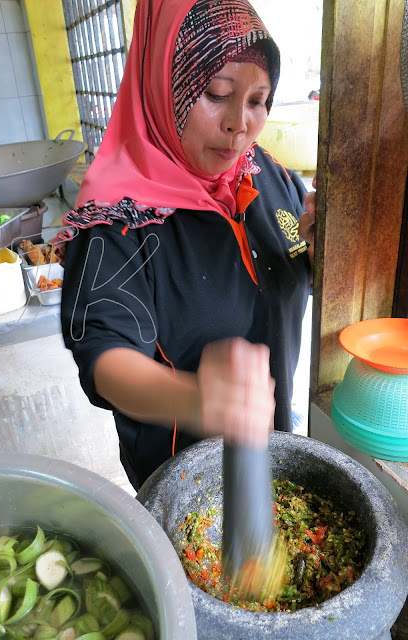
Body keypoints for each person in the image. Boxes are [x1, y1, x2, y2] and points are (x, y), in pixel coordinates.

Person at [60, 0, 315, 491]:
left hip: (274, 456)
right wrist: (199, 398)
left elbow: (291, 270)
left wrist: (317, 243)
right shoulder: (116, 219)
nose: (239, 124)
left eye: (259, 100)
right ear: (164, 85)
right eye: (217, 93)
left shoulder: (269, 177)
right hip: (182, 483)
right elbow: (105, 359)